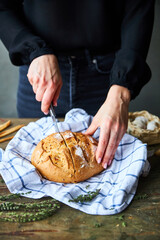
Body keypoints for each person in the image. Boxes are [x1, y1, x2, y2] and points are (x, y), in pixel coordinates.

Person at [0, 0, 155, 169]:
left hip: (108, 77)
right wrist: (34, 50)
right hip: (40, 73)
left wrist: (121, 90)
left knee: (107, 159)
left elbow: (140, 7)